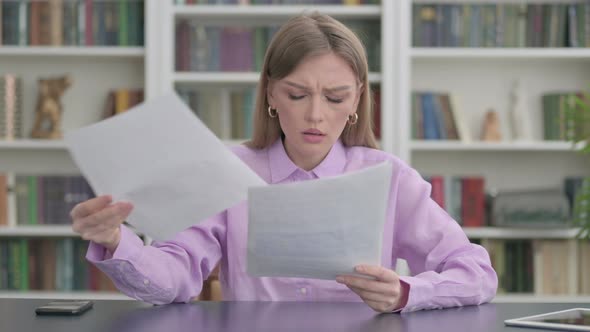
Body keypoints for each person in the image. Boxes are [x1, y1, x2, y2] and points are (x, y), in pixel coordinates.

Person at [70, 13, 497, 313]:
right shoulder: (228, 172)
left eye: (335, 97)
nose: (315, 115)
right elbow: (173, 276)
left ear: (357, 100)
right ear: (271, 94)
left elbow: (476, 272)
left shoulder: (388, 177)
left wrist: (406, 292)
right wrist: (115, 240)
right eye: (297, 94)